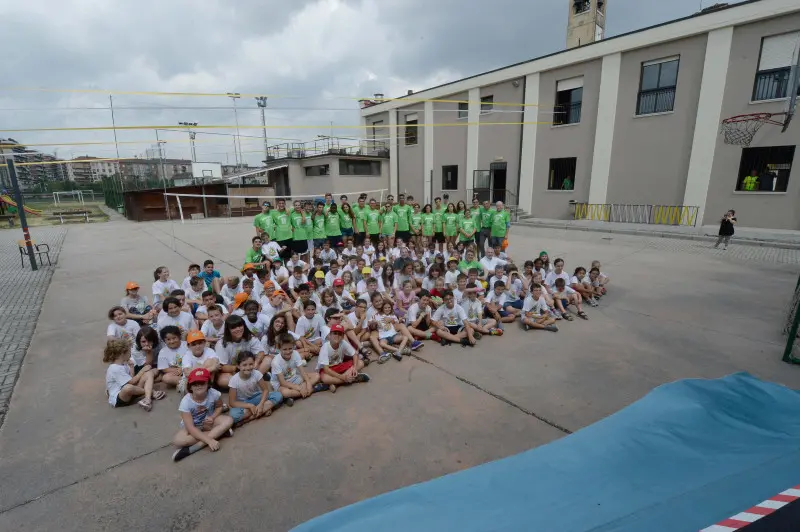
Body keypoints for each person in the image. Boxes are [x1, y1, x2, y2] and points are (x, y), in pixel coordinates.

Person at [171, 368, 234, 462]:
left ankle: (195, 447)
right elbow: (190, 428)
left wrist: (213, 417)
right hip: (193, 427)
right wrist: (209, 441)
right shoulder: (186, 402)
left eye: (202, 383)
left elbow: (219, 407)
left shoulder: (214, 393)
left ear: (208, 384)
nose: (198, 386)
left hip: (209, 423)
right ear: (190, 386)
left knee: (229, 420)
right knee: (178, 440)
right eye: (195, 383)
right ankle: (220, 433)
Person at [104, 338, 162, 411]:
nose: (130, 353)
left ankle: (147, 399)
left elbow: (131, 377)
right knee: (127, 388)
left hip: (132, 393)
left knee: (149, 373)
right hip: (120, 398)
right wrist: (142, 371)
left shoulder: (123, 364)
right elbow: (131, 382)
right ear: (122, 353)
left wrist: (131, 367)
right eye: (129, 351)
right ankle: (150, 391)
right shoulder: (115, 368)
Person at [227, 351, 283, 426]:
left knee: (278, 395)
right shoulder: (234, 380)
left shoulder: (257, 374)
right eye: (244, 365)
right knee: (233, 415)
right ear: (238, 366)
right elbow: (232, 402)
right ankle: (264, 410)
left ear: (254, 363)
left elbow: (265, 390)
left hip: (257, 398)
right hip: (243, 403)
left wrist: (261, 404)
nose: (248, 367)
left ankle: (249, 418)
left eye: (251, 364)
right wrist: (250, 406)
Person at [215, 315, 268, 387]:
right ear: (228, 330)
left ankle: (251, 381)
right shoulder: (221, 344)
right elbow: (223, 367)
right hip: (235, 371)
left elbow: (261, 352)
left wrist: (255, 364)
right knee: (222, 380)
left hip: (252, 368)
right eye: (233, 327)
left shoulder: (250, 338)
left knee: (268, 359)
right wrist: (240, 369)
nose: (238, 329)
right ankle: (254, 382)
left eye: (240, 326)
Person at [271, 333, 325, 404]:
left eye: (290, 348)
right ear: (279, 348)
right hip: (282, 385)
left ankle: (295, 395)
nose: (288, 352)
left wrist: (308, 383)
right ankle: (312, 390)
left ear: (293, 346)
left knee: (316, 376)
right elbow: (283, 382)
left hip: (294, 378)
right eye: (285, 349)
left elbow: (302, 372)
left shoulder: (295, 353)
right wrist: (299, 388)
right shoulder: (275, 362)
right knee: (285, 393)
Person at [317, 324, 370, 391]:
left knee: (360, 363)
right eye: (335, 333)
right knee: (324, 378)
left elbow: (355, 354)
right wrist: (342, 377)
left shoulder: (343, 342)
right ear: (330, 335)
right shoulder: (325, 347)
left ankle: (336, 383)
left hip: (339, 365)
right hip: (328, 369)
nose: (337, 336)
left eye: (340, 334)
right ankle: (351, 379)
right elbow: (326, 369)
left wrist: (354, 368)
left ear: (342, 337)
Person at [157, 325, 189, 392]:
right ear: (164, 340)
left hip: (189, 368)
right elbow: (164, 369)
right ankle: (187, 383)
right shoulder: (163, 351)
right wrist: (176, 370)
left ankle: (188, 383)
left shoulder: (187, 345)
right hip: (177, 372)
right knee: (166, 378)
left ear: (179, 337)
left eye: (174, 338)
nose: (172, 341)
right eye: (168, 339)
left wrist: (183, 369)